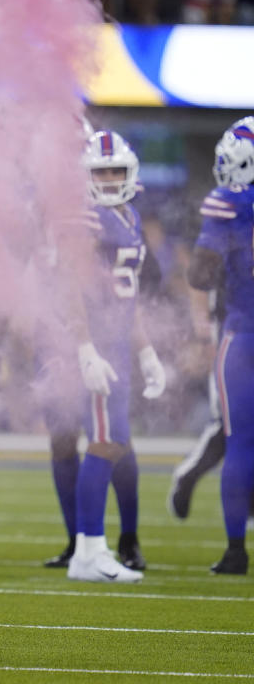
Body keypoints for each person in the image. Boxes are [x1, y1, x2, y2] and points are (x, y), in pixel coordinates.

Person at [54, 130, 166, 584]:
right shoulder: (85, 219)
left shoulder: (130, 216)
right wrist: (85, 349)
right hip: (96, 344)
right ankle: (89, 551)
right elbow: (69, 288)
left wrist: (147, 351)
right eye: (101, 172)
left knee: (115, 441)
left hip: (117, 343)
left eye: (116, 170)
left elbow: (128, 298)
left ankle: (93, 549)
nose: (110, 179)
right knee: (102, 443)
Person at [185, 116, 254, 575]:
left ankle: (235, 552)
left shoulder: (227, 203)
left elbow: (199, 275)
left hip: (243, 335)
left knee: (240, 443)